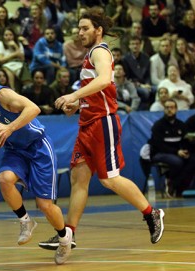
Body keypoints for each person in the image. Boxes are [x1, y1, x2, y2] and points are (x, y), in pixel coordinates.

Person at [40, 7, 165, 251]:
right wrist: (77, 103)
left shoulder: (100, 51)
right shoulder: (89, 55)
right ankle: (68, 234)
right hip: (87, 122)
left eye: (85, 28)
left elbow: (105, 79)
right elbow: (96, 91)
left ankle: (152, 213)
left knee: (109, 179)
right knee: (79, 177)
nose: (80, 32)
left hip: (102, 122)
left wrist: (74, 93)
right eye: (78, 29)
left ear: (99, 31)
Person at [0, 62, 73, 265]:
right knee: (4, 178)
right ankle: (26, 222)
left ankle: (64, 238)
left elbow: (33, 109)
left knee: (44, 205)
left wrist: (9, 128)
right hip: (15, 150)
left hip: (38, 147)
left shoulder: (3, 95)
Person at [149, 99, 195, 197]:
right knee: (178, 161)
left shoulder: (181, 125)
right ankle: (170, 181)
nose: (169, 110)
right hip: (159, 153)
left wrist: (185, 151)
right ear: (164, 109)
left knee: (193, 160)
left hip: (177, 153)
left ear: (176, 109)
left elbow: (185, 141)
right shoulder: (158, 126)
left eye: (172, 107)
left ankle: (179, 188)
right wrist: (177, 152)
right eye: (167, 108)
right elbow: (159, 145)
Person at [122, 36, 153, 110]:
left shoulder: (146, 57)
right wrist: (141, 85)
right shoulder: (125, 59)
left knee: (156, 89)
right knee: (145, 92)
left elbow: (148, 74)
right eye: (133, 44)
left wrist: (148, 83)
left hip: (145, 84)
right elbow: (127, 77)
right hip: (132, 84)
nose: (135, 46)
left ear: (140, 45)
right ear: (129, 46)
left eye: (137, 44)